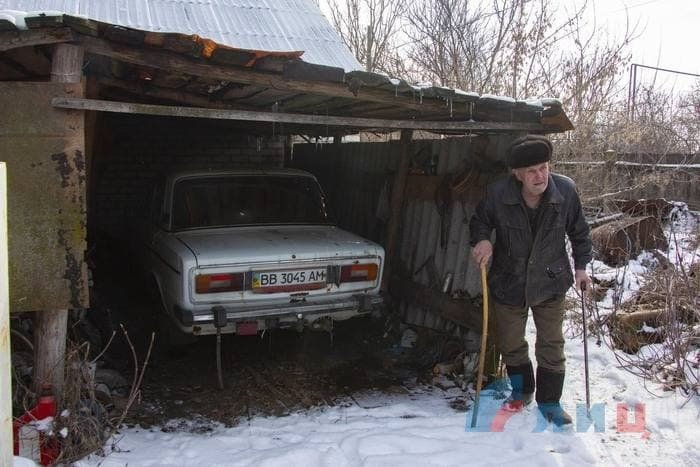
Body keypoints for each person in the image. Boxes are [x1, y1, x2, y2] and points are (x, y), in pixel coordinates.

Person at [469, 134, 592, 426]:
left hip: (551, 281)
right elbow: (479, 221)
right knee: (511, 342)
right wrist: (483, 240)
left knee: (551, 343)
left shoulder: (565, 191)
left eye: (544, 168)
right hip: (509, 280)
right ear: (517, 175)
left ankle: (550, 402)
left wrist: (582, 267)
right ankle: (522, 390)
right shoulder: (498, 194)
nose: (540, 176)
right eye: (532, 171)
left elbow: (580, 232)